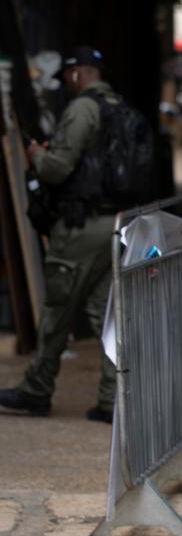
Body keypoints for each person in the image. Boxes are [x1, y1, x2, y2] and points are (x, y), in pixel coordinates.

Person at [0, 46, 121, 422]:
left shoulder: (83, 108)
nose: (67, 81)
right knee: (104, 314)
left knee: (57, 307)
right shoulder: (116, 105)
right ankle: (112, 397)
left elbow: (56, 168)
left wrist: (37, 154)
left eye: (69, 74)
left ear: (77, 73)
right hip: (114, 223)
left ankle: (37, 389)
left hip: (82, 225)